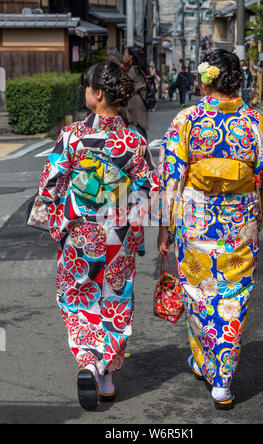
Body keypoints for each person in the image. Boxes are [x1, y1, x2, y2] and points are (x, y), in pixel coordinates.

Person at [30, 62, 158, 411]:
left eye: (87, 87)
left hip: (80, 232)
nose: (84, 92)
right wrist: (134, 229)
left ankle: (88, 360)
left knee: (77, 295)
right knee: (115, 300)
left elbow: (50, 184)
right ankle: (106, 375)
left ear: (98, 94)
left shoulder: (72, 134)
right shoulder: (134, 140)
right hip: (117, 232)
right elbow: (149, 190)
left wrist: (56, 223)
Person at [158, 49, 263, 410]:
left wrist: (166, 225)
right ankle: (223, 381)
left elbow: (172, 176)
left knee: (198, 294)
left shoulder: (188, 119)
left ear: (206, 79)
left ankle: (205, 361)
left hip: (196, 219)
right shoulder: (254, 120)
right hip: (238, 222)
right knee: (232, 299)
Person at [122, 47, 149, 140]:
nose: (124, 56)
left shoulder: (134, 70)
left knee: (138, 126)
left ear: (131, 57)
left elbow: (141, 85)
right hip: (132, 102)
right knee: (132, 126)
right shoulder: (133, 69)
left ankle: (144, 149)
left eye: (125, 54)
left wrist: (130, 92)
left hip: (136, 103)